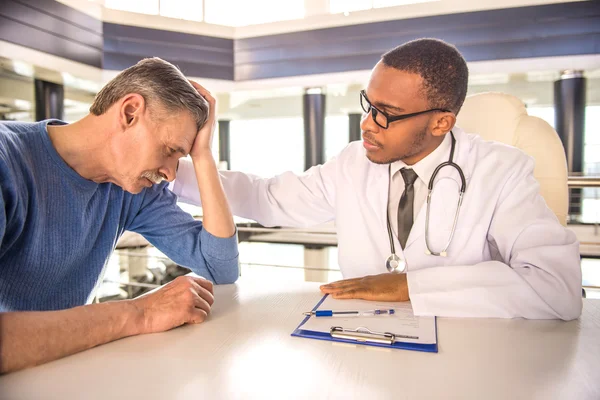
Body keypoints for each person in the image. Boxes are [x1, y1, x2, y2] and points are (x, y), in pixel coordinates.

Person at [171, 38, 582, 321]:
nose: (368, 123)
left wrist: (410, 287)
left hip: (469, 362)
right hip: (364, 351)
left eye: (387, 113)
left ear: (442, 122)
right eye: (368, 104)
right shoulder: (354, 162)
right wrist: (178, 169)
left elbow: (555, 287)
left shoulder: (502, 171)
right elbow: (267, 198)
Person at [0, 58, 238, 374]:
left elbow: (220, 266)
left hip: (67, 370)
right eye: (169, 150)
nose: (169, 174)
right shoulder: (8, 161)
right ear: (129, 113)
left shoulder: (133, 191)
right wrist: (140, 313)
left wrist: (204, 156)